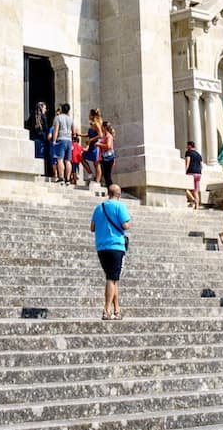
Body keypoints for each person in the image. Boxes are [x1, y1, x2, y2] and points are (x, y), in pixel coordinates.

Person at [91, 184, 131, 321]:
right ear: (119, 194)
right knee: (111, 278)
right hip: (116, 246)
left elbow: (92, 227)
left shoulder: (99, 208)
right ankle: (107, 310)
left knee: (113, 278)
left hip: (101, 247)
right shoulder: (120, 206)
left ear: (108, 193)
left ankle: (117, 309)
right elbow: (126, 225)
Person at [49, 104, 74, 186]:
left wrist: (54, 140)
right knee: (68, 161)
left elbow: (56, 130)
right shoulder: (70, 119)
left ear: (62, 109)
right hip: (69, 140)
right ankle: (68, 179)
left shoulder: (58, 118)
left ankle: (61, 177)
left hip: (61, 139)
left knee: (60, 159)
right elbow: (73, 131)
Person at [26, 101, 50, 180]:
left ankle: (36, 173)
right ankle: (41, 174)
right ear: (41, 108)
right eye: (45, 108)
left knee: (36, 155)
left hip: (34, 138)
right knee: (41, 156)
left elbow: (28, 126)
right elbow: (46, 128)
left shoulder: (32, 116)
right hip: (41, 139)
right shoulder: (43, 116)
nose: (45, 110)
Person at [182, 141, 203, 208]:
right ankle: (197, 206)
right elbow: (201, 165)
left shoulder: (188, 152)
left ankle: (193, 199)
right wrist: (199, 172)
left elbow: (187, 163)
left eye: (187, 145)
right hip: (198, 174)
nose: (186, 147)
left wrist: (185, 171)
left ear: (190, 146)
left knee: (185, 188)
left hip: (191, 173)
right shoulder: (198, 154)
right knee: (196, 191)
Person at [98, 121, 117, 191]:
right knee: (106, 176)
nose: (101, 128)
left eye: (102, 126)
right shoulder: (105, 135)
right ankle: (109, 190)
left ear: (105, 127)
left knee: (107, 176)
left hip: (108, 158)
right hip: (106, 158)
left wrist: (99, 144)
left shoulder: (108, 136)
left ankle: (112, 190)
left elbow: (108, 146)